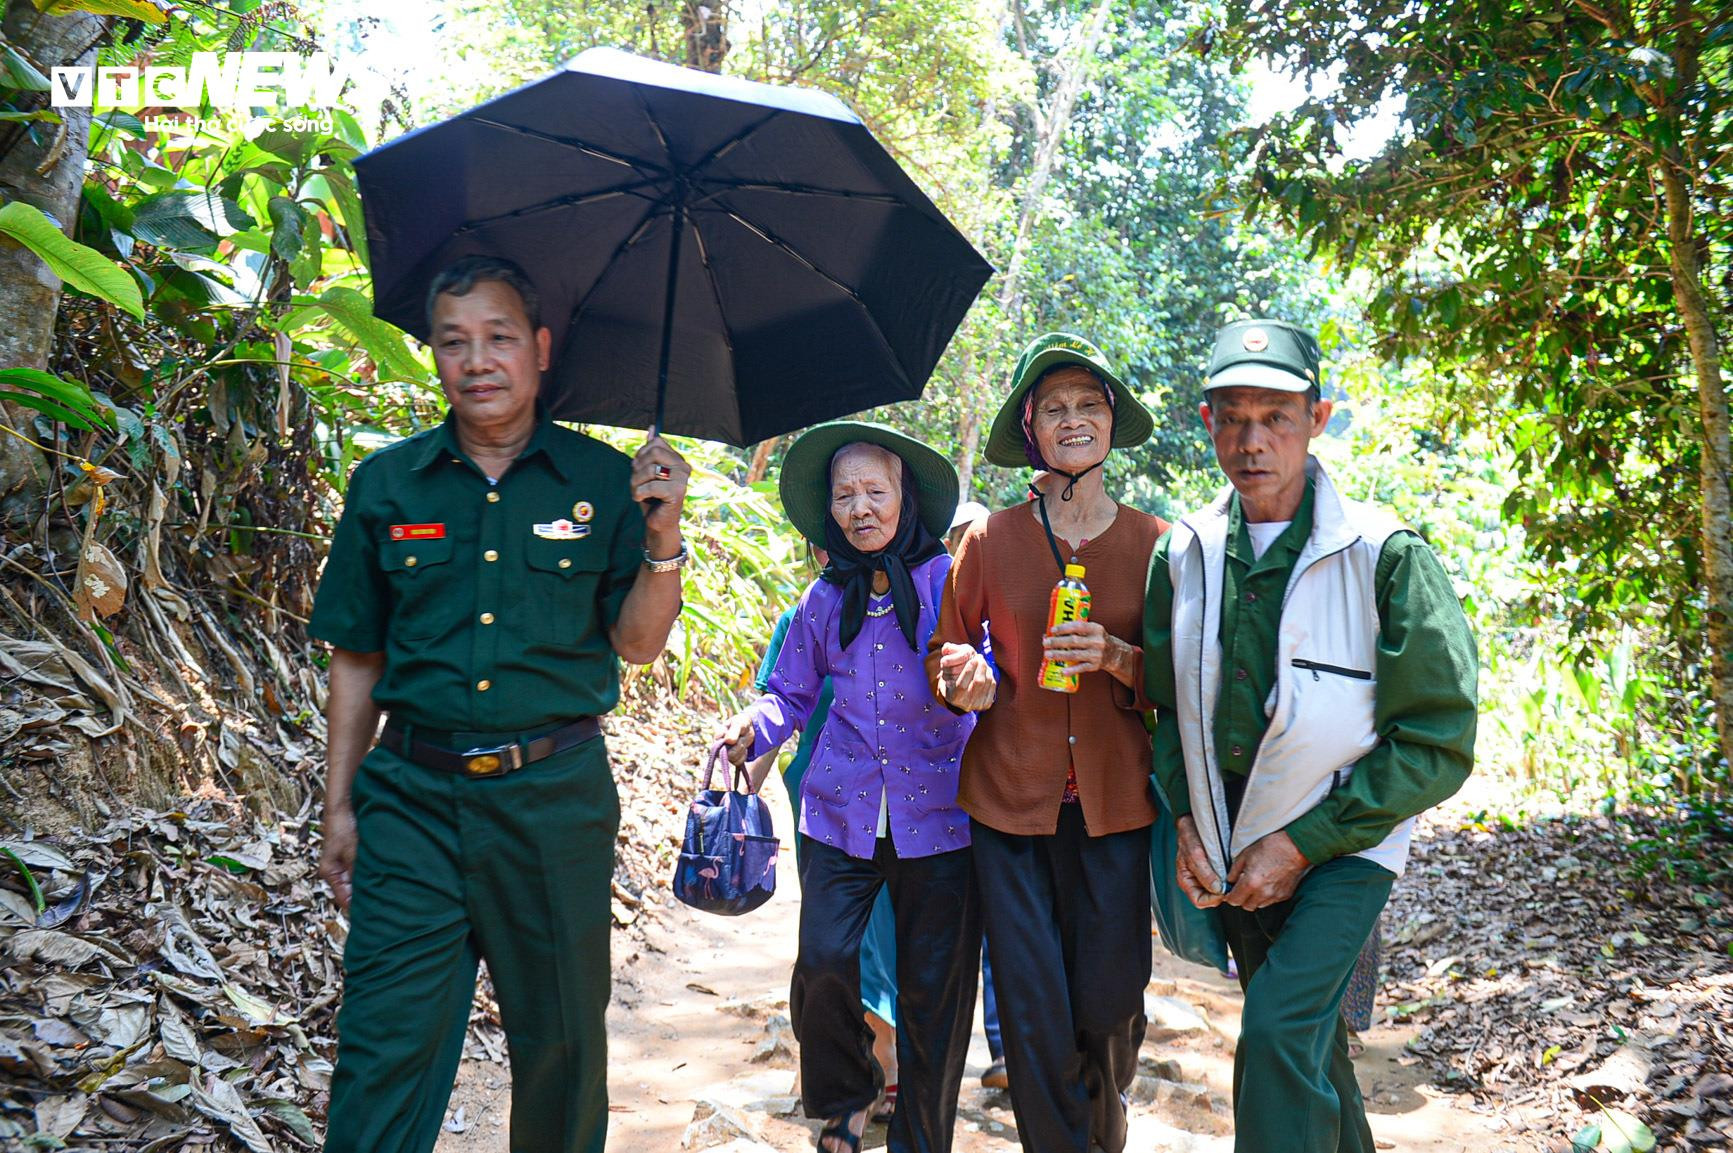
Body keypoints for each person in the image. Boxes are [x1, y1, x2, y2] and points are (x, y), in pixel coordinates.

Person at [309, 255, 691, 1153]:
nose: (477, 360)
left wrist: (662, 535)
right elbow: (357, 656)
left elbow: (636, 643)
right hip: (411, 800)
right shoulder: (388, 484)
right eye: (454, 342)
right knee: (381, 1050)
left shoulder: (604, 483)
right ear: (434, 355)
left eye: (500, 337)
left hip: (553, 801)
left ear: (541, 348)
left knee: (561, 1051)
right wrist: (339, 800)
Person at [1143, 319, 1478, 1153]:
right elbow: (1160, 709)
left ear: (1317, 418)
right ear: (1205, 421)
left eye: (1277, 418)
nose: (1253, 442)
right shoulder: (1183, 552)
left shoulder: (1382, 552)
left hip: (1345, 841)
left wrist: (1302, 842)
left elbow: (1435, 738)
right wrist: (1186, 818)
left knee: (1277, 1032)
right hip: (1232, 843)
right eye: (1233, 418)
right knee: (1313, 1049)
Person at [926, 332, 1167, 1152]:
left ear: (1110, 423)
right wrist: (966, 675)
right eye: (1054, 408)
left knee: (1107, 1002)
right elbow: (946, 648)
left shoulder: (1155, 544)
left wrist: (1119, 656)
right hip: (1009, 806)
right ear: (1030, 429)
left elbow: (1182, 678)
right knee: (1032, 1010)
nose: (1073, 420)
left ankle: (1102, 1123)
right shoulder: (991, 539)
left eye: (1088, 405)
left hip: (1115, 806)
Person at [719, 421, 980, 1153]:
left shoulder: (949, 584)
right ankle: (846, 1090)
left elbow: (984, 663)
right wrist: (755, 724)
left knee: (934, 993)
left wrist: (977, 680)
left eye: (875, 490)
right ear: (828, 511)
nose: (860, 507)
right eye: (844, 495)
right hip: (840, 811)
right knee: (826, 961)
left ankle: (922, 1138)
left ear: (905, 498)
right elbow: (788, 695)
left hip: (943, 814)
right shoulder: (819, 600)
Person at [749, 543, 903, 1125]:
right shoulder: (803, 616)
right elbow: (779, 705)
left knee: (881, 938)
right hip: (824, 810)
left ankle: (883, 1056)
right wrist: (739, 786)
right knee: (833, 942)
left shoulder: (911, 610)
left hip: (897, 810)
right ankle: (849, 1067)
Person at [943, 500, 1010, 1092]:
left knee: (999, 926)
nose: (967, 549)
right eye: (959, 540)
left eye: (973, 538)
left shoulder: (1009, 612)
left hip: (999, 791)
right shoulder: (949, 618)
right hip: (946, 797)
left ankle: (1004, 1050)